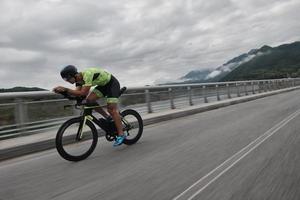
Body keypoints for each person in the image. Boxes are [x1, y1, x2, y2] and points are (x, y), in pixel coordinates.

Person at [53, 65, 126, 147]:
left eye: (67, 79)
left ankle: (121, 134)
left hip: (112, 83)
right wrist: (63, 92)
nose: (67, 81)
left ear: (73, 75)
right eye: (65, 80)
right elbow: (76, 94)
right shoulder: (78, 81)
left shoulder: (87, 75)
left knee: (111, 109)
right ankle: (107, 117)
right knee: (89, 101)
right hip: (103, 86)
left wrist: (65, 89)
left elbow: (83, 93)